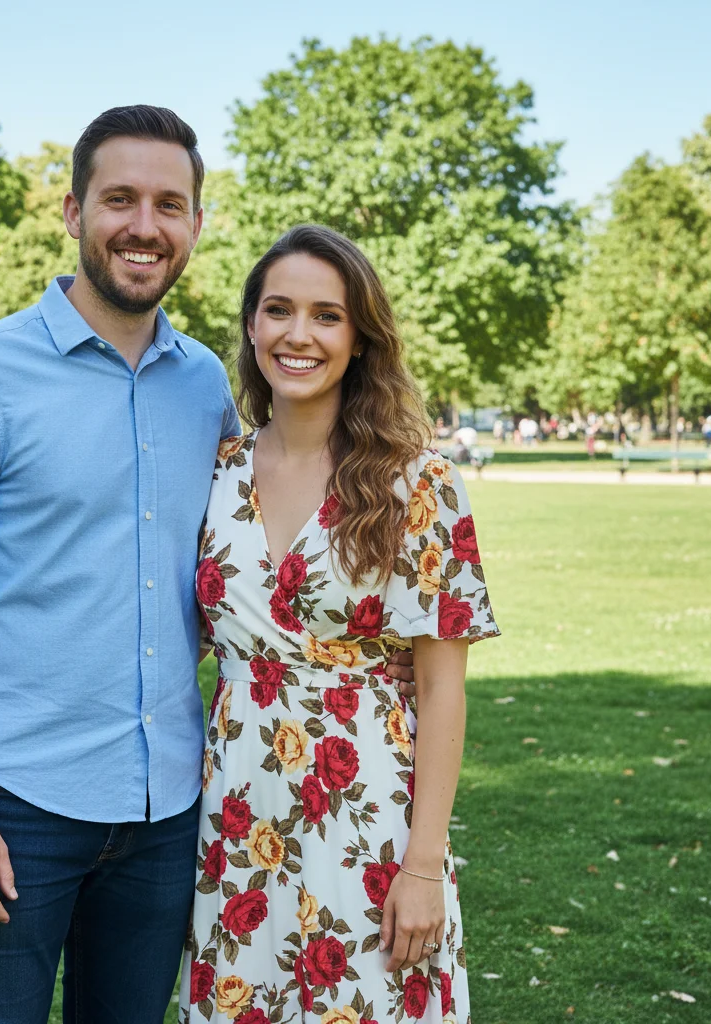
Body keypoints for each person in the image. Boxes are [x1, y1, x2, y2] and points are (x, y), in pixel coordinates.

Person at [0, 108, 415, 1024]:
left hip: (173, 810)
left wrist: (364, 648)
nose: (144, 225)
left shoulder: (206, 381)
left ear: (196, 225)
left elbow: (250, 554)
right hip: (16, 806)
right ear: (73, 210)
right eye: (119, 198)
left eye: (170, 204)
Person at [179, 226, 499, 1024]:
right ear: (251, 326)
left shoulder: (417, 484)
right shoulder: (216, 471)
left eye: (327, 316)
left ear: (359, 339)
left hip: (368, 817)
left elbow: (443, 686)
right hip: (234, 812)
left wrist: (424, 863)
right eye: (278, 310)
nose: (298, 334)